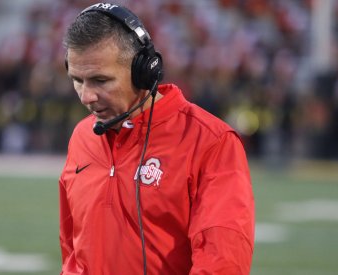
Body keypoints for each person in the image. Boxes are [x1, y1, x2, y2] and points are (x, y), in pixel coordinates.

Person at [59, 3, 255, 274]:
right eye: (77, 80)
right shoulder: (82, 136)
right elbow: (73, 252)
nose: (86, 96)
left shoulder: (210, 141)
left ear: (144, 71)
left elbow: (222, 261)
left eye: (100, 80)